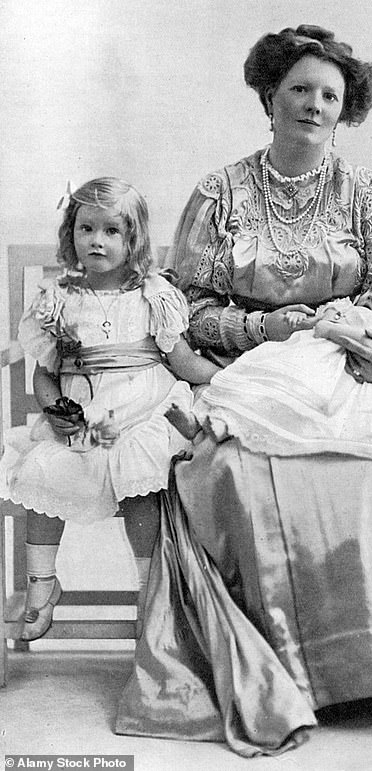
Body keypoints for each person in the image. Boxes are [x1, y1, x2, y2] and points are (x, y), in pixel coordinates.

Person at [116, 25, 372, 758]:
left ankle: (364, 672)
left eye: (330, 95)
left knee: (356, 473)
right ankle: (273, 672)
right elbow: (182, 310)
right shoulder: (218, 193)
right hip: (237, 378)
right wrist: (268, 325)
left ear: (345, 109)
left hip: (342, 386)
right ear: (269, 97)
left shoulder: (370, 195)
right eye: (299, 90)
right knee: (231, 470)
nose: (314, 106)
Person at [0, 177, 218, 641]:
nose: (96, 240)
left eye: (111, 231)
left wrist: (222, 376)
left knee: (138, 473)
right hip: (83, 420)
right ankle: (41, 586)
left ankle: (150, 595)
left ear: (133, 238)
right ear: (71, 233)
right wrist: (52, 406)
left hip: (142, 410)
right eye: (86, 228)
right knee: (41, 469)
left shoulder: (153, 295)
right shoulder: (58, 297)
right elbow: (45, 370)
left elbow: (180, 360)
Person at [165, 268, 372, 472]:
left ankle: (216, 429)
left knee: (284, 408)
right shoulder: (349, 308)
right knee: (252, 388)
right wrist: (302, 321)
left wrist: (330, 328)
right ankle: (205, 425)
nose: (371, 296)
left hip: (340, 383)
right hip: (298, 365)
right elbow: (314, 323)